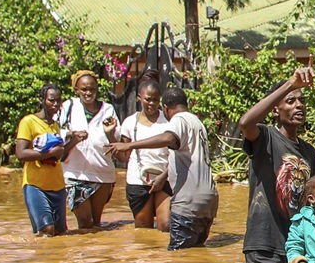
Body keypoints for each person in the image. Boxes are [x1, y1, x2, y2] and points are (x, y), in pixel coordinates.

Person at [238, 66, 315, 263]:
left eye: (302, 100)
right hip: (263, 244)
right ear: (276, 109)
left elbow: (312, 202)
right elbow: (245, 122)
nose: (299, 106)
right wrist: (290, 83)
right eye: (291, 101)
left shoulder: (308, 152)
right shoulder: (265, 138)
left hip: (295, 246)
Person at [114, 84, 218, 250]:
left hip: (188, 201)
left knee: (178, 257)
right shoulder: (197, 121)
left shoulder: (178, 120)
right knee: (196, 252)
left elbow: (168, 138)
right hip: (208, 200)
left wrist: (130, 145)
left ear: (165, 108)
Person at [14, 83, 81, 237]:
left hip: (57, 186)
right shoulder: (28, 121)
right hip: (35, 185)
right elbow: (21, 153)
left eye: (58, 101)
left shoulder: (55, 126)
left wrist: (71, 142)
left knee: (60, 233)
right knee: (46, 230)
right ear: (42, 100)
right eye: (51, 100)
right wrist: (48, 153)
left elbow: (59, 156)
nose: (55, 104)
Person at [59, 70, 120, 231]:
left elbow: (117, 145)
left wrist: (109, 132)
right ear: (76, 90)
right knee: (85, 223)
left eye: (92, 89)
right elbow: (57, 133)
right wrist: (73, 136)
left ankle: (97, 254)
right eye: (84, 89)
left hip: (102, 174)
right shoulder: (69, 107)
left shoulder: (108, 109)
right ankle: (82, 255)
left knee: (96, 224)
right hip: (74, 174)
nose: (88, 93)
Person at [117, 77, 173, 229]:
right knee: (143, 228)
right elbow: (123, 157)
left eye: (156, 99)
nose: (152, 103)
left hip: (165, 178)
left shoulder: (168, 121)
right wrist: (110, 136)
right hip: (138, 181)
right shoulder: (129, 122)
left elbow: (176, 154)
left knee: (166, 225)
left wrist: (163, 177)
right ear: (139, 97)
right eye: (148, 99)